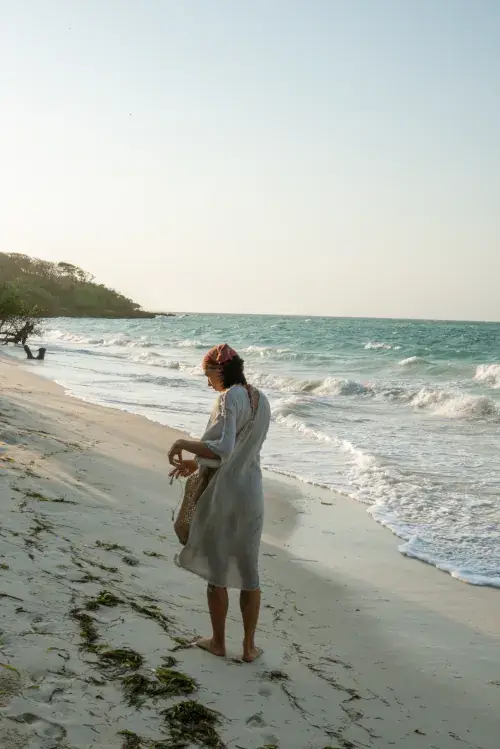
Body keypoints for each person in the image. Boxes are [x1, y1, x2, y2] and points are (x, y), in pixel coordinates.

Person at [168, 344, 271, 662]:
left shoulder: (228, 397)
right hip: (251, 494)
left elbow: (224, 449)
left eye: (207, 374)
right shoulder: (262, 399)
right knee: (248, 572)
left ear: (218, 369)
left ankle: (218, 642)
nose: (207, 382)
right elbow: (239, 451)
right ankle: (249, 647)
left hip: (223, 495)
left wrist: (182, 442)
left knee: (217, 572)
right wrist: (197, 463)